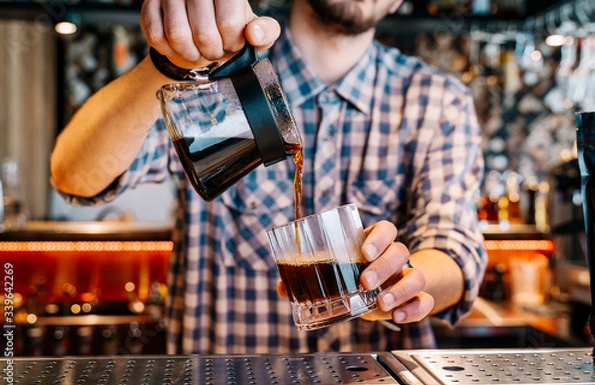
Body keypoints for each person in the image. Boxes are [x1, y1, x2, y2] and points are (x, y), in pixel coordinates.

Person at [50, 0, 487, 354]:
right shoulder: (215, 78)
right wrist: (167, 65)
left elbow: (455, 249)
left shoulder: (436, 100)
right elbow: (74, 178)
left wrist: (406, 280)